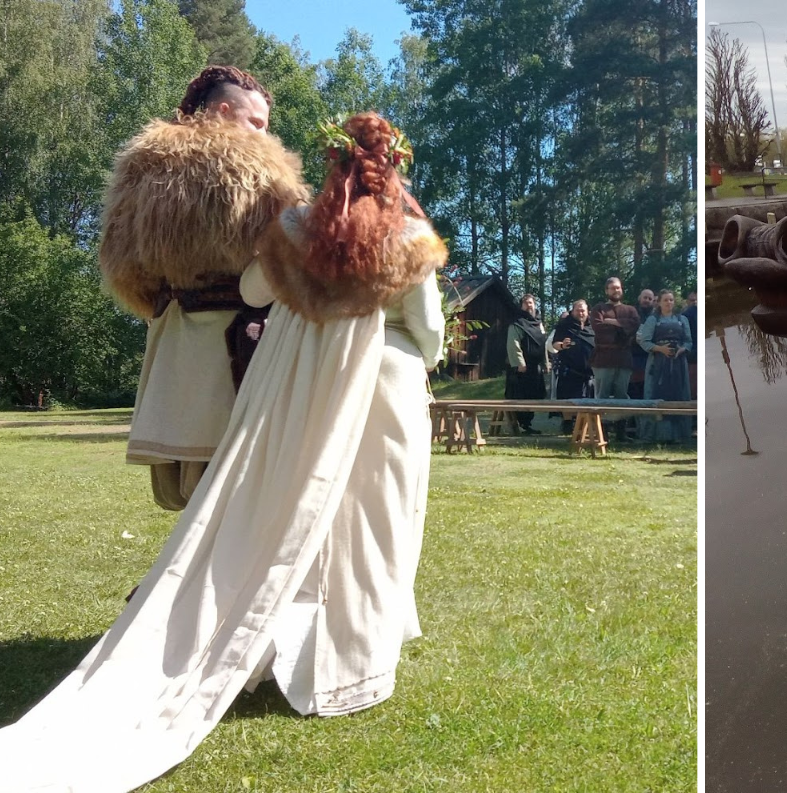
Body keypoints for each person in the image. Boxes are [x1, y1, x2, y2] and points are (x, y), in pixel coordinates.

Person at [0, 113, 445, 791]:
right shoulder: (408, 235)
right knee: (374, 517)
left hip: (300, 385)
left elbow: (251, 291)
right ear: (392, 169)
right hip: (384, 379)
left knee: (297, 509)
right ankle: (354, 655)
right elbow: (431, 330)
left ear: (334, 165)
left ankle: (286, 639)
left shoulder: (296, 227)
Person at [100, 64, 305, 511]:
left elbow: (121, 266)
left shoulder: (142, 165)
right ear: (224, 111)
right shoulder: (253, 167)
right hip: (230, 341)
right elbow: (289, 249)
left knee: (191, 485)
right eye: (257, 122)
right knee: (236, 485)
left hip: (172, 337)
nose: (265, 135)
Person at [637, 290, 693, 443]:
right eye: (666, 300)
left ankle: (680, 436)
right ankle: (654, 436)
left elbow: (688, 342)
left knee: (679, 394)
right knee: (655, 395)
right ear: (659, 302)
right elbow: (644, 341)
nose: (669, 303)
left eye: (671, 300)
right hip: (658, 363)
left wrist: (682, 349)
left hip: (678, 363)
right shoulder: (652, 320)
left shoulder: (682, 319)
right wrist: (661, 349)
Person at [589, 277, 641, 437]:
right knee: (602, 396)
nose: (616, 290)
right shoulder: (599, 309)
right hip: (603, 358)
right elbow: (599, 328)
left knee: (622, 395)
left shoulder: (630, 310)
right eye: (612, 288)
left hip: (624, 358)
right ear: (606, 291)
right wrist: (622, 325)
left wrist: (613, 322)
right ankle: (602, 433)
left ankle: (621, 433)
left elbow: (634, 325)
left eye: (618, 287)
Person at [506, 293, 550, 434]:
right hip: (521, 369)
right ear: (521, 306)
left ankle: (527, 424)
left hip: (535, 368)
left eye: (531, 303)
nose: (529, 305)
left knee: (533, 395)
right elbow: (513, 344)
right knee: (520, 395)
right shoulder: (517, 323)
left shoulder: (538, 323)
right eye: (526, 303)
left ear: (534, 304)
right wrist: (520, 363)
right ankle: (519, 424)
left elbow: (543, 344)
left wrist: (545, 362)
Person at [551, 299, 596, 432]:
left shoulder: (593, 327)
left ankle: (583, 426)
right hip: (569, 370)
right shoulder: (564, 325)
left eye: (583, 311)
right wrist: (562, 345)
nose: (581, 313)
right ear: (572, 311)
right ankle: (567, 424)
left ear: (587, 312)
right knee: (567, 398)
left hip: (589, 373)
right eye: (578, 310)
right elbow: (554, 344)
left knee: (587, 400)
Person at [682, 290, 699, 401]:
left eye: (696, 300)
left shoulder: (685, 315)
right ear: (687, 301)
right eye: (692, 300)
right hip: (691, 354)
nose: (695, 302)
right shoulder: (686, 315)